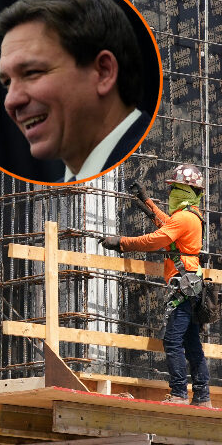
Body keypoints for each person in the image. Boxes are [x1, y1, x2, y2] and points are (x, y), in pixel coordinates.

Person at [0, 0, 151, 182]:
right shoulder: (55, 202)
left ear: (104, 72)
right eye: (7, 82)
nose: (11, 101)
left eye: (32, 72)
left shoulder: (169, 166)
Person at [100, 164, 211, 407]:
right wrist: (147, 202)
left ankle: (180, 394)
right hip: (191, 285)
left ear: (186, 190)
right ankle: (202, 397)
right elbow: (166, 224)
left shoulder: (184, 218)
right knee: (192, 344)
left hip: (184, 287)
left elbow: (155, 240)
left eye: (175, 189)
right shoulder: (190, 217)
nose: (171, 194)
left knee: (172, 341)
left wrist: (122, 243)